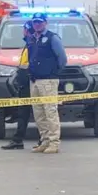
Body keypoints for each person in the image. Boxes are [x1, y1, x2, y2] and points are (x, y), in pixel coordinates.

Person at [26, 12, 66, 153]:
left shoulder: (52, 38)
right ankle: (45, 141)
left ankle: (54, 143)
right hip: (34, 80)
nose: (37, 24)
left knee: (50, 112)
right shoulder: (32, 39)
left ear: (45, 23)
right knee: (39, 113)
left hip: (48, 80)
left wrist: (53, 72)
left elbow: (62, 59)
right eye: (35, 22)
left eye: (40, 22)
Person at [2, 21, 36, 150]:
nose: (23, 31)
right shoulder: (30, 43)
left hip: (30, 83)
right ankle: (18, 140)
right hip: (25, 83)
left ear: (27, 30)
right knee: (24, 112)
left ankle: (43, 140)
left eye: (24, 29)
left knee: (37, 113)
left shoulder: (33, 44)